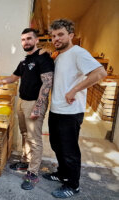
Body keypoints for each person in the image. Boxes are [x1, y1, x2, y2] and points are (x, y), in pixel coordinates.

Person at [43, 19, 107, 198]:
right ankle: (62, 173)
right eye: (54, 35)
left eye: (61, 34)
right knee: (57, 145)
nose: (56, 38)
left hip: (70, 113)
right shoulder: (60, 55)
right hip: (57, 110)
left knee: (69, 150)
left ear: (71, 35)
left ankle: (73, 185)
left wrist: (74, 90)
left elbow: (100, 73)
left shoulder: (78, 53)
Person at [0, 28, 54, 190]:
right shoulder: (24, 61)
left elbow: (47, 82)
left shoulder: (43, 58)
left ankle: (33, 173)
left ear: (37, 40)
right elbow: (13, 77)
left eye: (29, 38)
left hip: (34, 103)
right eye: (23, 39)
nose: (26, 42)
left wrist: (38, 106)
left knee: (35, 139)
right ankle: (25, 161)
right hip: (22, 102)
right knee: (25, 134)